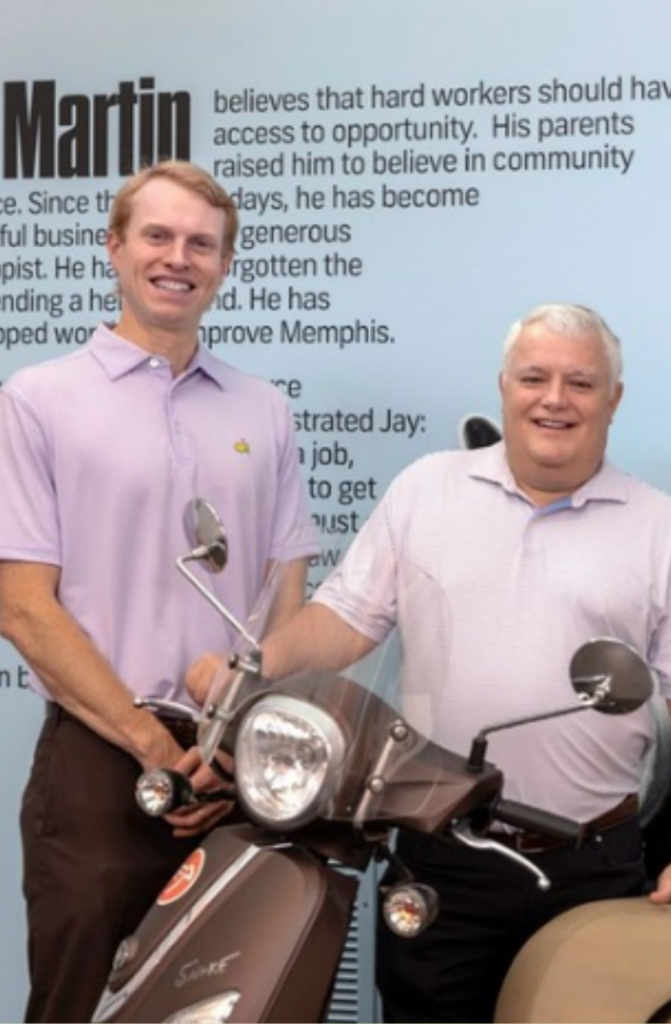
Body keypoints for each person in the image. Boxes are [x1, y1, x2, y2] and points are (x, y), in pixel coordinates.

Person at [234, 303, 671, 1022]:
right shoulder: (427, 490)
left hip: (591, 866)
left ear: (614, 400)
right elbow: (344, 622)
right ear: (503, 387)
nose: (555, 398)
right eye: (534, 377)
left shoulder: (662, 530)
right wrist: (250, 665)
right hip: (438, 854)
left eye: (580, 382)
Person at [0, 160, 320, 1023]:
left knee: (238, 1003)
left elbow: (284, 591)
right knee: (79, 1007)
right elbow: (23, 605)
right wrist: (149, 742)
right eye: (158, 235)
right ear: (115, 248)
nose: (178, 257)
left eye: (201, 244)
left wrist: (229, 750)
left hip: (234, 768)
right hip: (103, 758)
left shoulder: (265, 410)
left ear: (223, 265)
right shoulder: (37, 401)